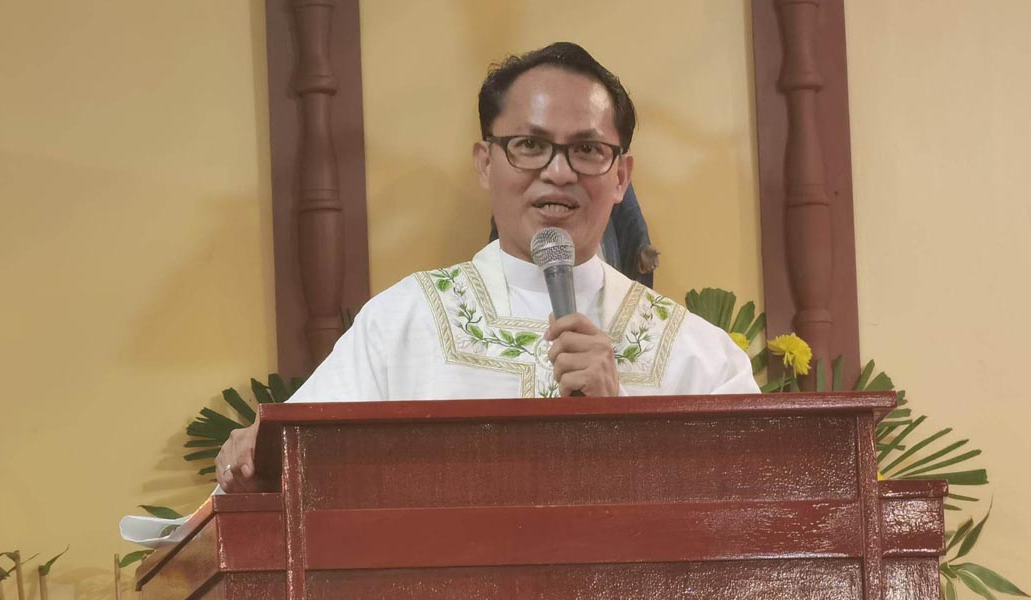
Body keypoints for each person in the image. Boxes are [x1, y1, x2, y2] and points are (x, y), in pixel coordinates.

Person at [215, 42, 759, 493]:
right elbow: (284, 484)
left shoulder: (701, 358)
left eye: (588, 149)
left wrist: (622, 428)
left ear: (620, 177)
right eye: (530, 145)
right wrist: (253, 466)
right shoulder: (402, 325)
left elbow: (758, 516)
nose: (559, 172)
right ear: (485, 163)